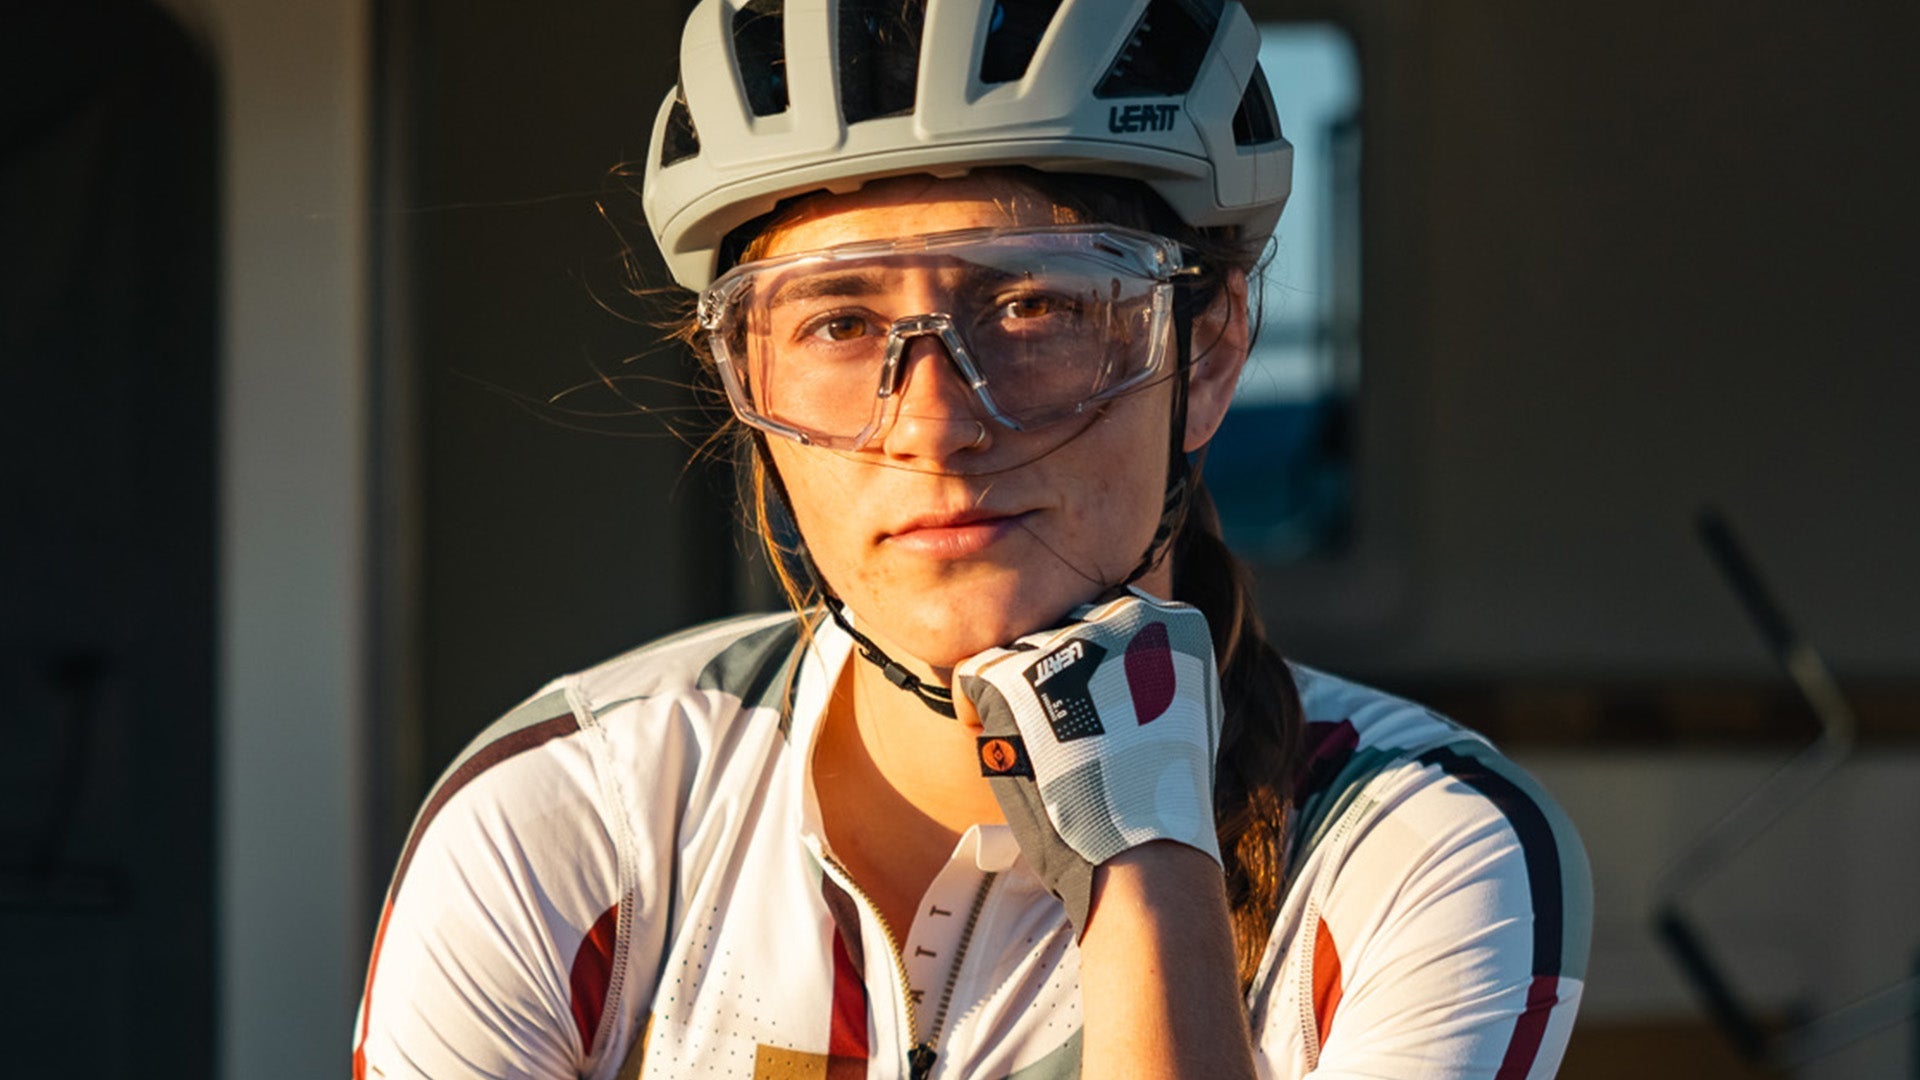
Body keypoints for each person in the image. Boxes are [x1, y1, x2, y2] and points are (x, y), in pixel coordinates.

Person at [354, 2, 1592, 1077]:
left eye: (1038, 303)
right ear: (743, 377)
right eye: (839, 325)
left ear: (1207, 351)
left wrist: (1147, 860)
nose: (937, 427)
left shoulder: (1419, 851)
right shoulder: (571, 822)